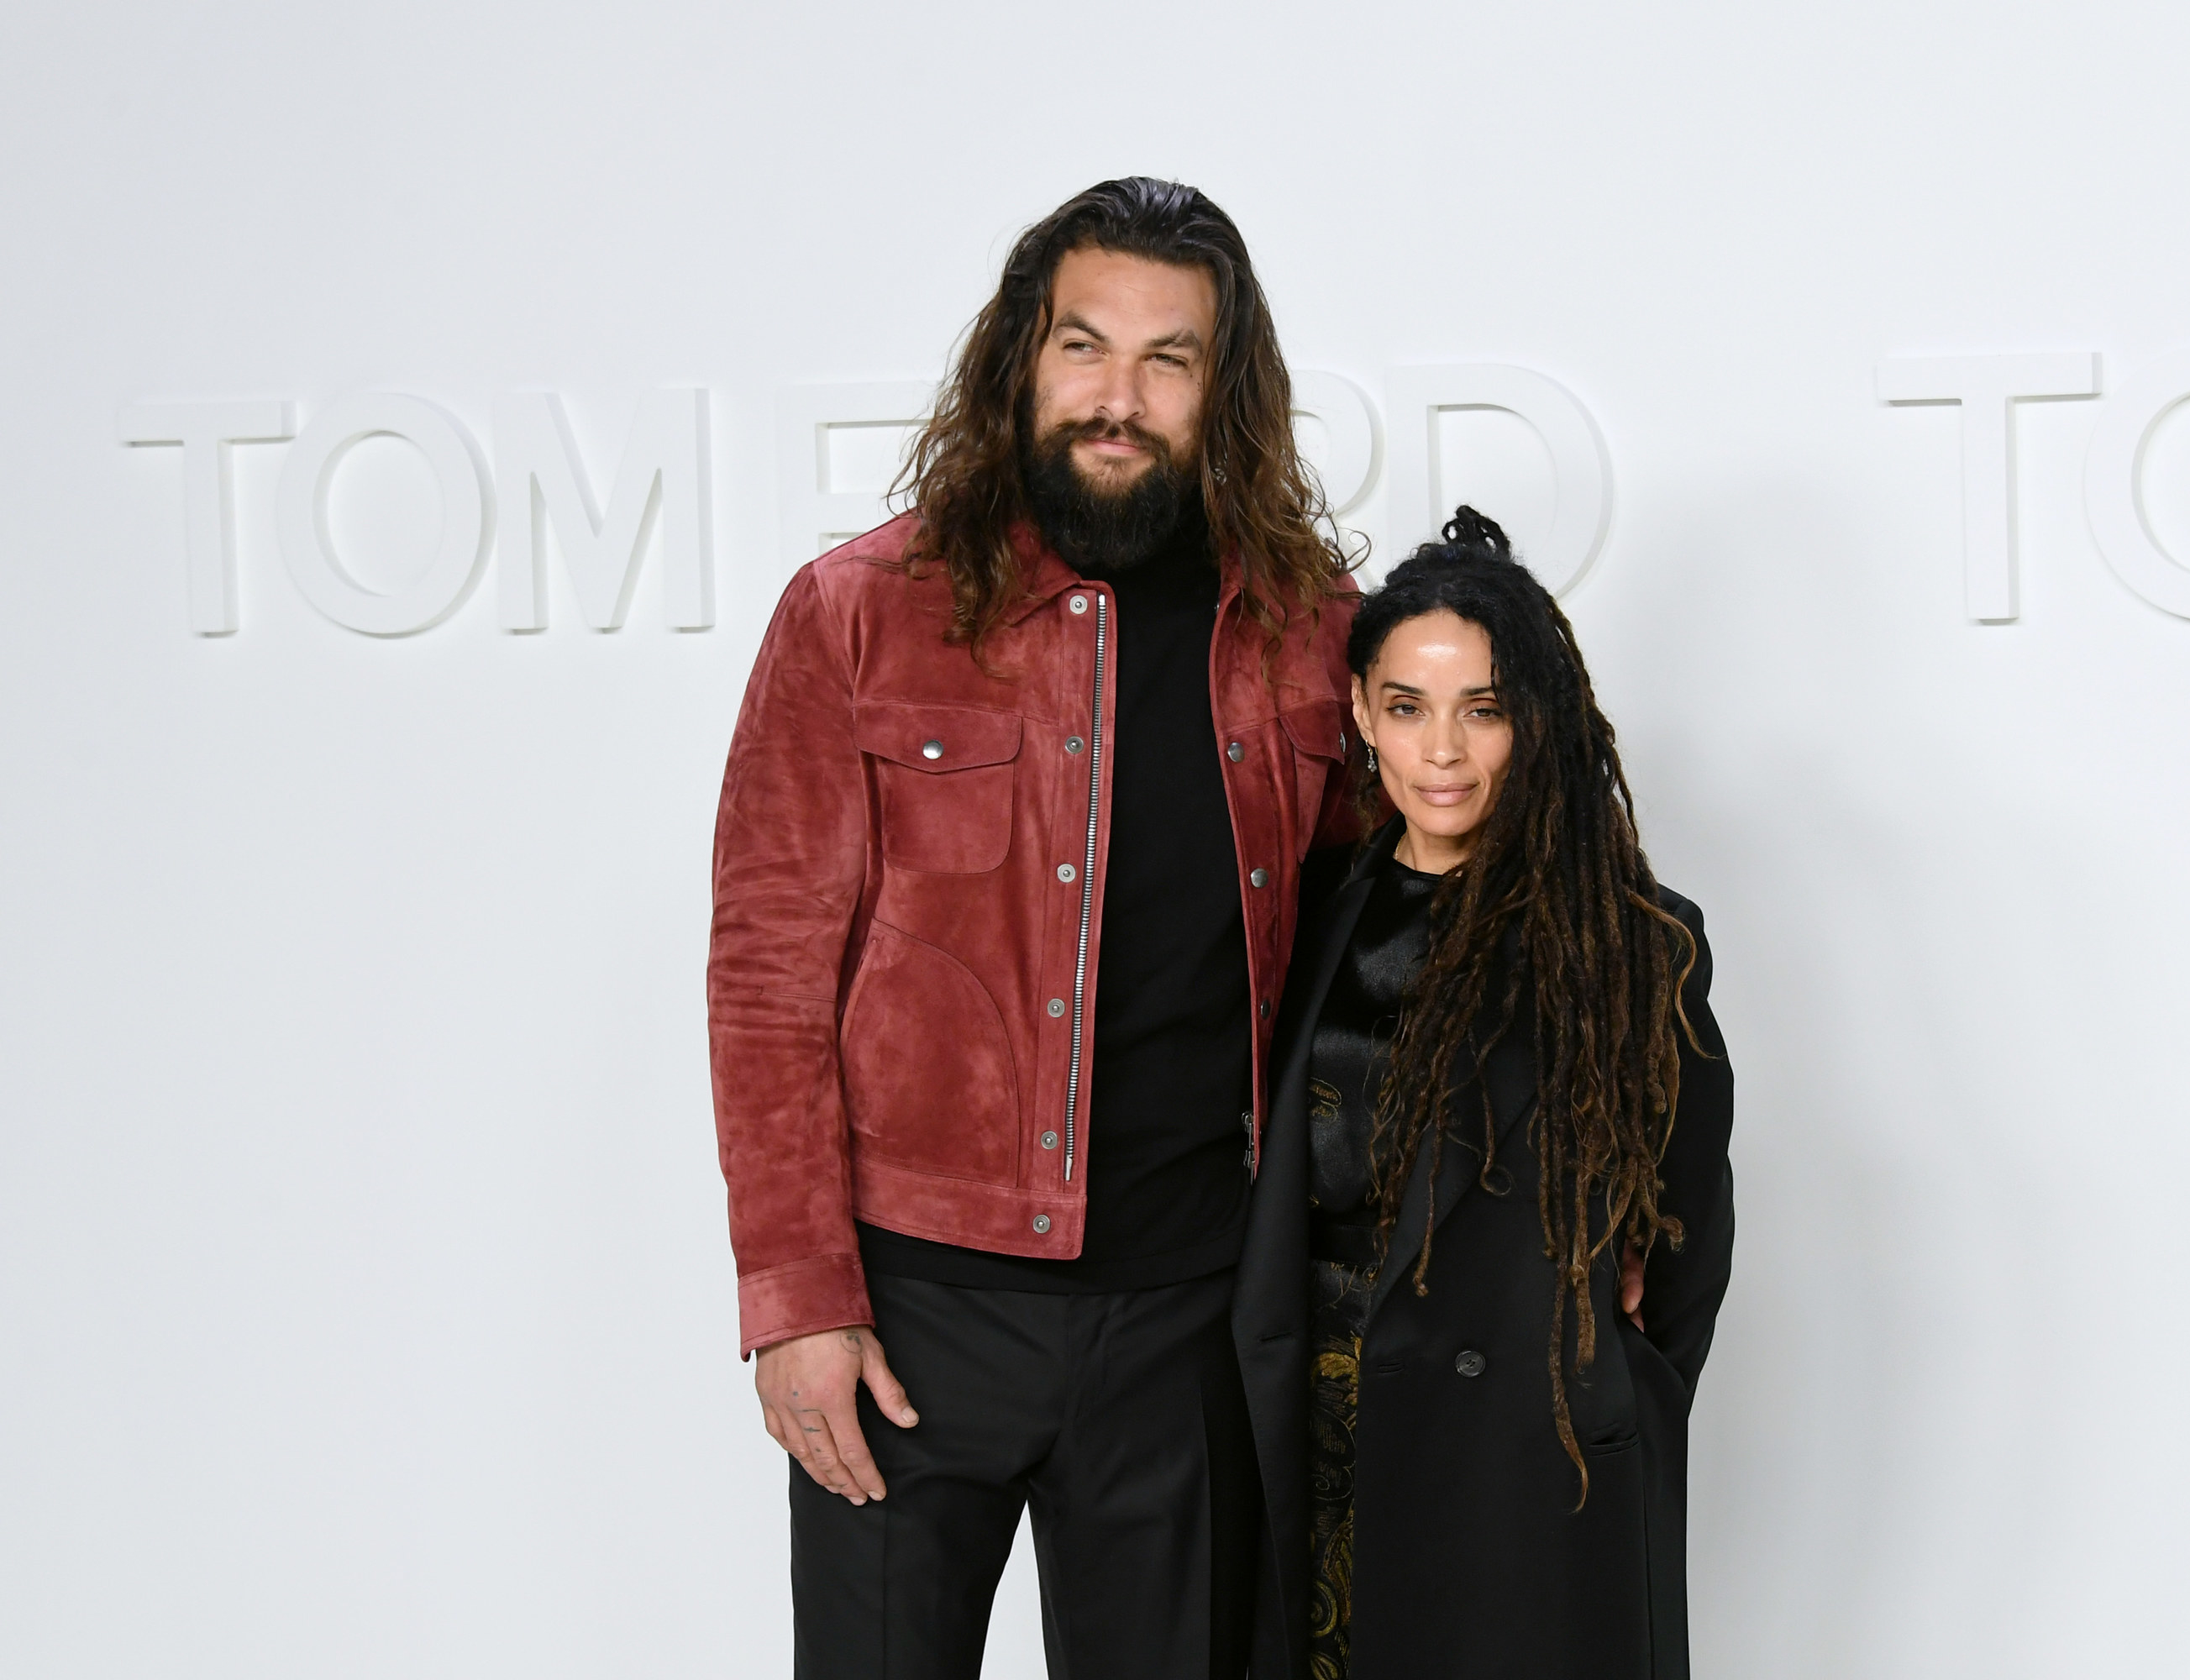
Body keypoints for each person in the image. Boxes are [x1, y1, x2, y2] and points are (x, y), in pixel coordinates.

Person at [706, 177, 1358, 1680]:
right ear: (1021, 359)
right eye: (1083, 346)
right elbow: (766, 980)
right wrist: (798, 1302)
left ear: (1225, 391)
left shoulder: (1310, 636)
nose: (1115, 398)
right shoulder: (857, 614)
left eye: (1167, 359)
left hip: (1188, 1328)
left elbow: (1400, 938)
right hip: (913, 1323)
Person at [1232, 508, 1736, 1680]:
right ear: (1361, 714)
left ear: (1537, 723)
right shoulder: (1298, 919)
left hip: (1525, 1469)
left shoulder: (1633, 945)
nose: (1443, 751)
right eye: (1407, 708)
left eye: (1485, 710)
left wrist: (1617, 1399)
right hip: (1314, 1446)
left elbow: (1688, 1245)